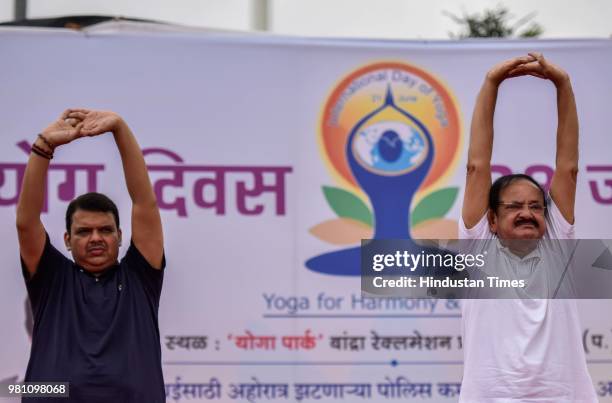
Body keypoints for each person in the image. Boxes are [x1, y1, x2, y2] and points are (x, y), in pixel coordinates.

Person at [459, 53, 597, 401]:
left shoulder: (556, 245)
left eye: (536, 206)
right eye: (514, 206)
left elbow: (568, 168)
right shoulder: (478, 248)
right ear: (491, 219)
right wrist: (491, 82)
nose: (527, 213)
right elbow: (477, 165)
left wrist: (562, 84)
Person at [16, 109, 165, 402]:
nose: (96, 238)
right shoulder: (52, 278)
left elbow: (144, 203)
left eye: (106, 230)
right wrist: (44, 146)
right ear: (68, 240)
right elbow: (26, 222)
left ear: (120, 237)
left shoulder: (139, 276)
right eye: (84, 232)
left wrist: (120, 129)